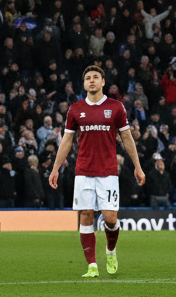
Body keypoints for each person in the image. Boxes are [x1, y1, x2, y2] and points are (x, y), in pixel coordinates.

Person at [48, 64, 146, 277]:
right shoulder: (75, 109)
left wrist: (137, 166)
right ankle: (92, 265)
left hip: (108, 172)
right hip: (83, 171)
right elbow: (66, 140)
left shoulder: (116, 107)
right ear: (84, 84)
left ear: (103, 82)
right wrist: (55, 168)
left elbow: (127, 138)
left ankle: (110, 250)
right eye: (88, 78)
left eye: (95, 77)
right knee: (85, 216)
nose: (91, 80)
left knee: (110, 219)